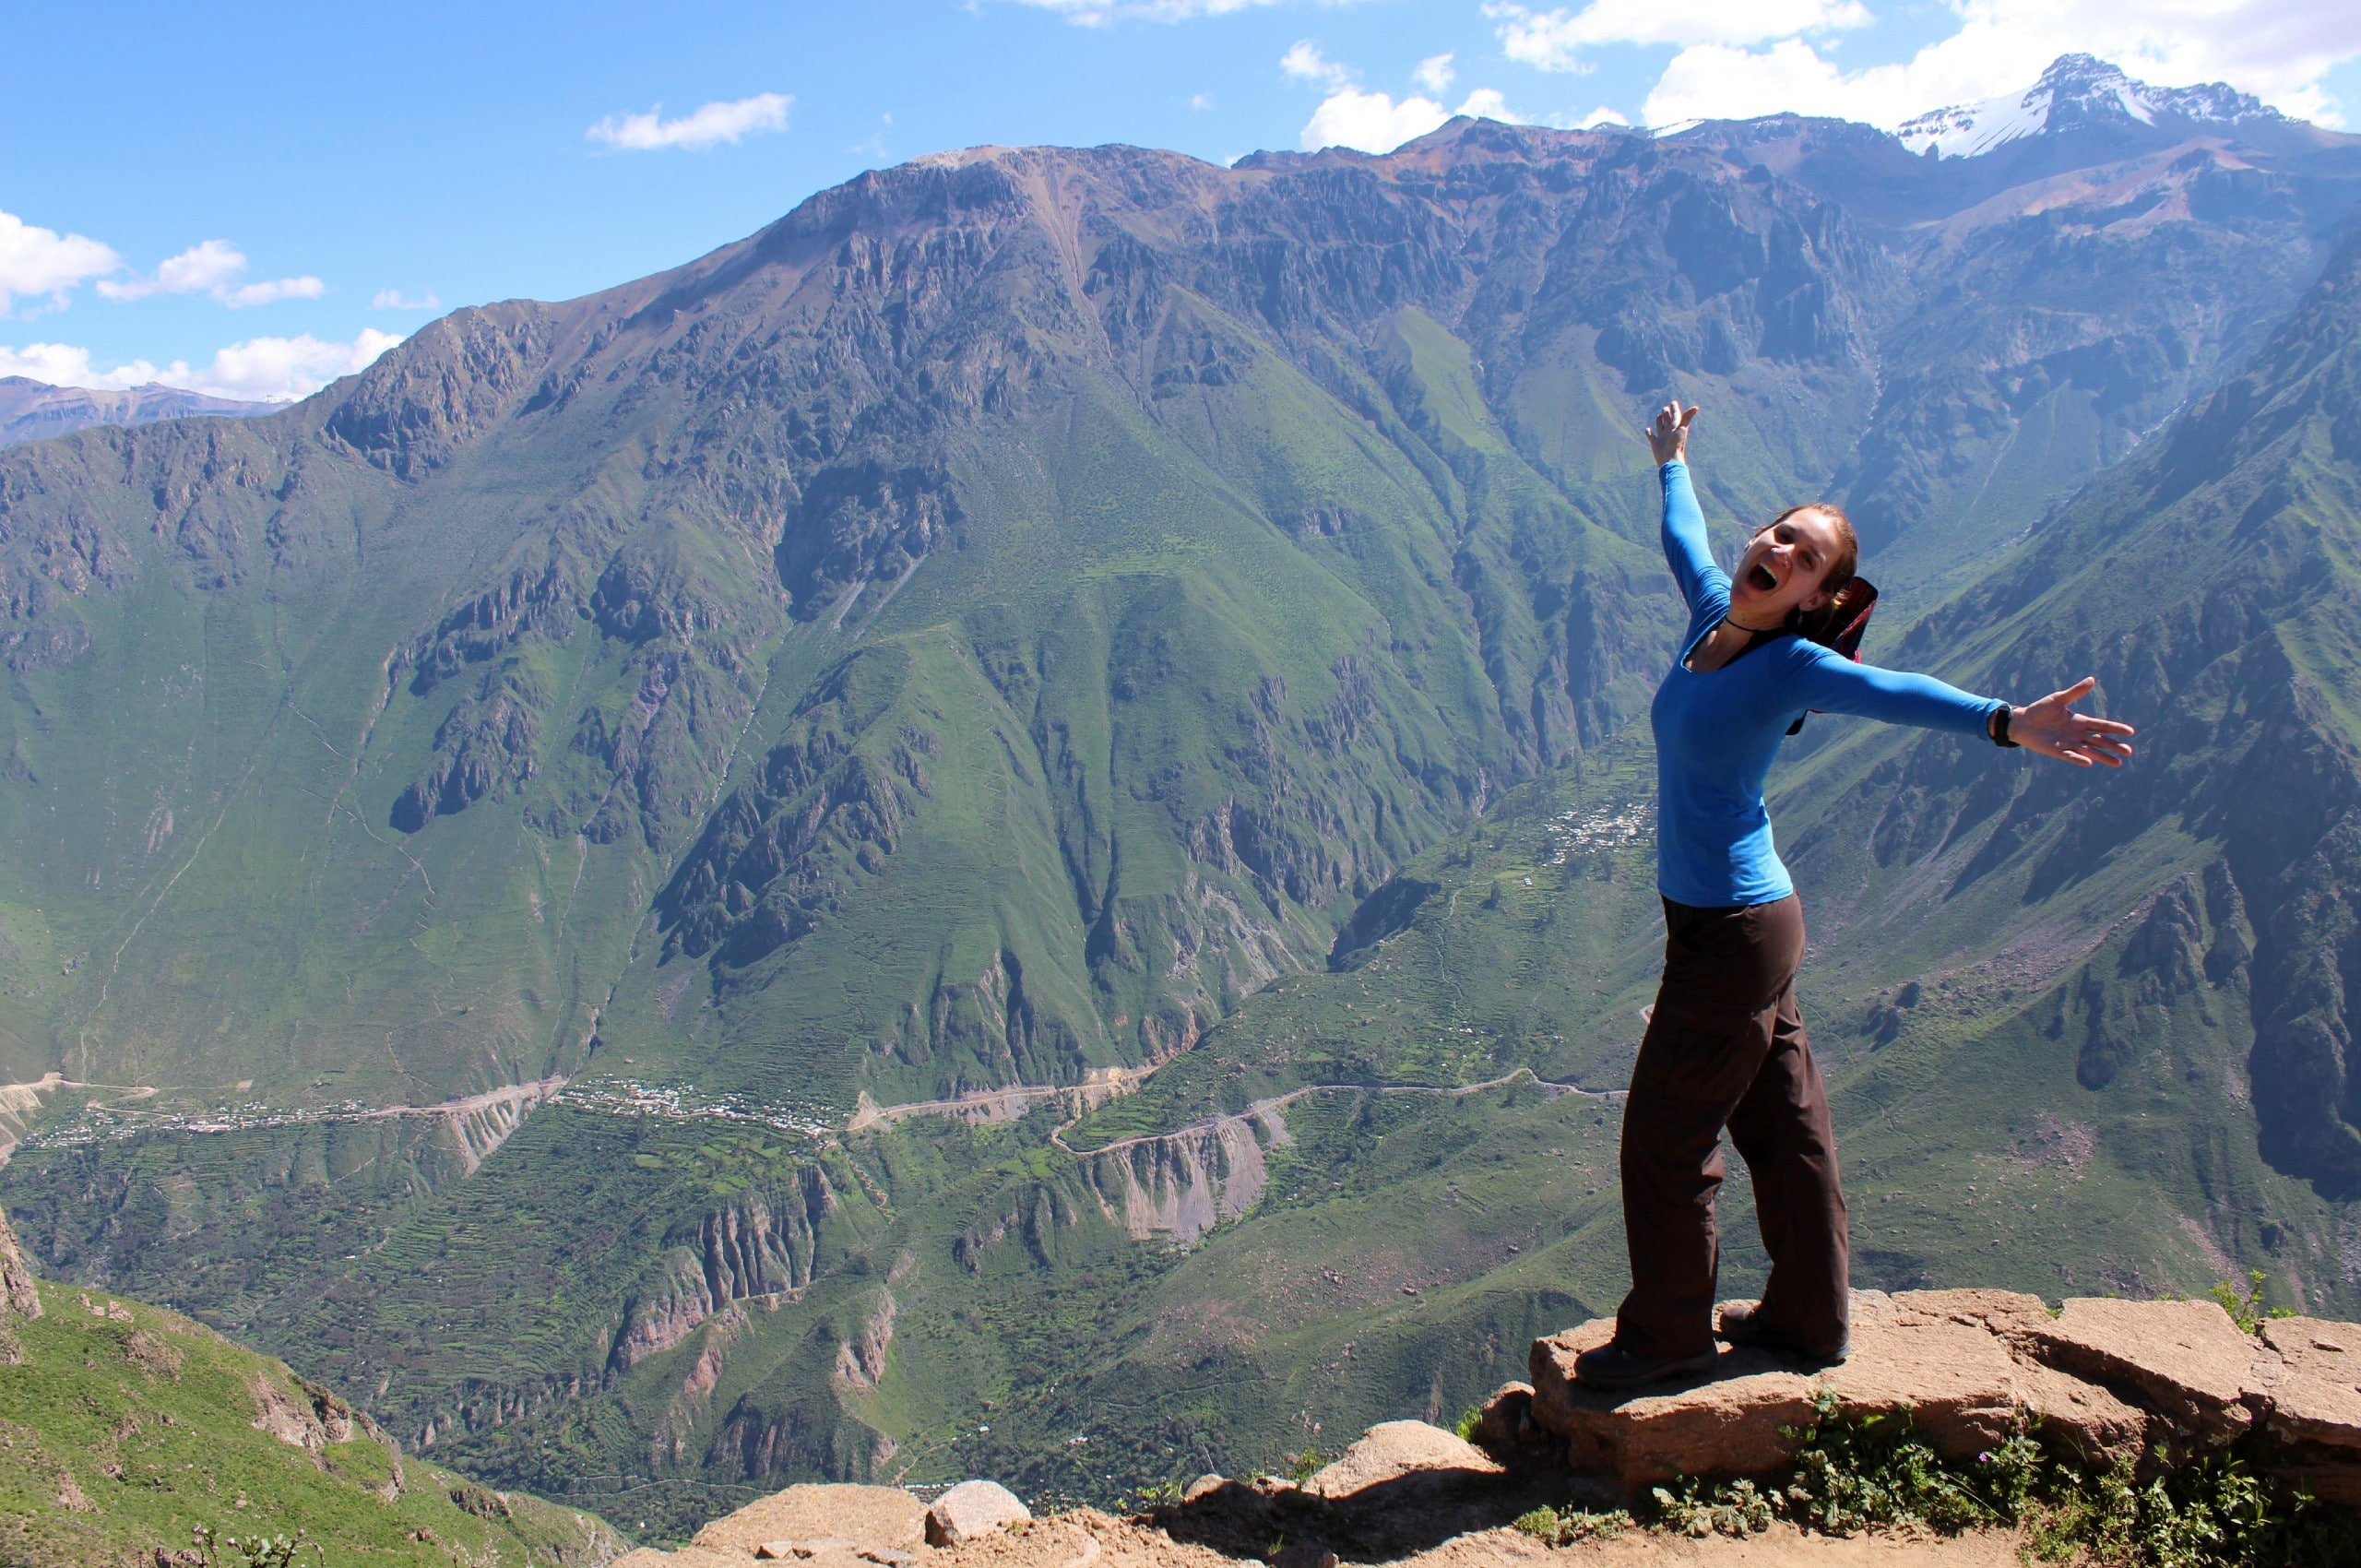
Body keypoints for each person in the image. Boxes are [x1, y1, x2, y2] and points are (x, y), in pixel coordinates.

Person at [1573, 400, 2137, 1389]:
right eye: (1779, 531)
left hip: (1733, 932)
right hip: (1739, 925)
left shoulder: (1793, 663)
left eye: (1804, 556)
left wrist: (2008, 722)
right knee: (1780, 1121)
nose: (1780, 549)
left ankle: (1664, 1340)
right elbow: (1683, 535)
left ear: (1811, 598)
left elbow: (1902, 692)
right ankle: (1807, 1318)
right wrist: (1672, 459)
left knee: (1666, 1138)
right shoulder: (1714, 614)